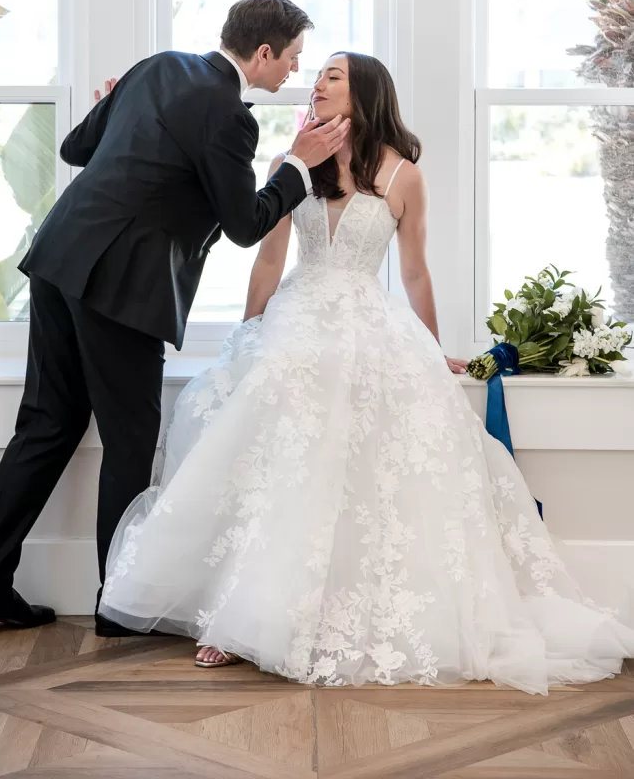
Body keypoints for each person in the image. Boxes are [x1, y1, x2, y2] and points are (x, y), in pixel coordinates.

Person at [99, 51, 634, 693]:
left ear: (362, 96)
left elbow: (413, 272)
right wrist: (249, 330)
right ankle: (237, 616)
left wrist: (432, 352)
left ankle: (334, 608)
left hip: (367, 320)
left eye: (331, 76)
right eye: (316, 73)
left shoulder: (405, 175)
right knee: (274, 415)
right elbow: (268, 262)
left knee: (360, 432)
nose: (316, 83)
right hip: (297, 313)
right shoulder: (289, 163)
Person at [0, 0, 350, 637]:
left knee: (46, 423)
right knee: (131, 440)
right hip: (121, 286)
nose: (294, 76)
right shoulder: (230, 115)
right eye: (293, 60)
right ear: (265, 52)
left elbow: (77, 149)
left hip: (60, 258)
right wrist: (301, 164)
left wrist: (116, 102)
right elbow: (246, 225)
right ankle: (119, 602)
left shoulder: (157, 65)